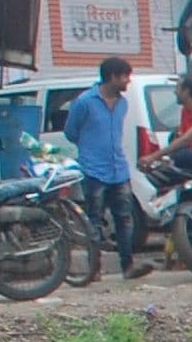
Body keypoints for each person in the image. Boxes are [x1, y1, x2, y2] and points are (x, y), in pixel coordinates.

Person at [62, 57, 147, 281]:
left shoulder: (123, 103)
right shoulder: (85, 102)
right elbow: (70, 132)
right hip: (93, 169)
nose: (128, 81)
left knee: (124, 218)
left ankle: (127, 266)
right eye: (125, 76)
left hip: (118, 168)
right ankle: (94, 269)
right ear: (112, 77)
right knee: (94, 220)